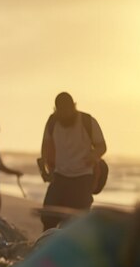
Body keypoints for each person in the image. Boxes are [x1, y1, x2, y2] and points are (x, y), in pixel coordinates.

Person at [40, 92, 106, 230]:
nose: (64, 114)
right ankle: (47, 246)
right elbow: (45, 147)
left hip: (83, 178)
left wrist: (93, 156)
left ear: (73, 107)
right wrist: (45, 170)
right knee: (48, 217)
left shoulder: (87, 121)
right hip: (59, 177)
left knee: (77, 222)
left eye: (67, 110)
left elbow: (102, 146)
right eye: (61, 111)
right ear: (56, 110)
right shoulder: (52, 122)